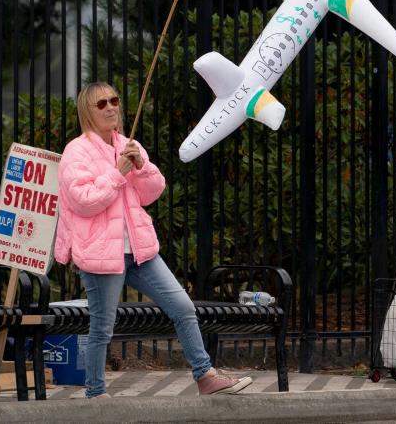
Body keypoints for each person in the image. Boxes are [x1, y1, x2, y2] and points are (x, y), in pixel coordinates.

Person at [55, 81, 252, 398]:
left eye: (114, 100)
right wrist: (117, 173)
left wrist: (141, 166)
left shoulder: (129, 144)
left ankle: (205, 376)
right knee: (102, 328)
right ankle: (96, 393)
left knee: (183, 307)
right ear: (87, 113)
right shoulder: (76, 152)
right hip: (101, 256)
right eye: (101, 104)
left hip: (140, 252)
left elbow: (152, 193)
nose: (110, 107)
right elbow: (83, 200)